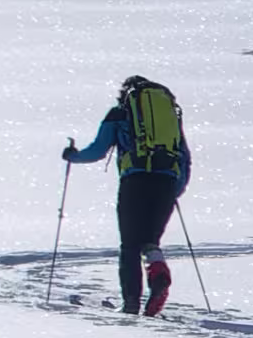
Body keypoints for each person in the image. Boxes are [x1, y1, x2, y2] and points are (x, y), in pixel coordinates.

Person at [63, 72, 194, 314]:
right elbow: (184, 156)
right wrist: (176, 188)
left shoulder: (120, 113)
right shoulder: (171, 115)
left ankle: (131, 303)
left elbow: (98, 150)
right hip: (166, 181)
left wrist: (73, 156)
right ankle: (158, 275)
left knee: (129, 245)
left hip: (134, 180)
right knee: (149, 241)